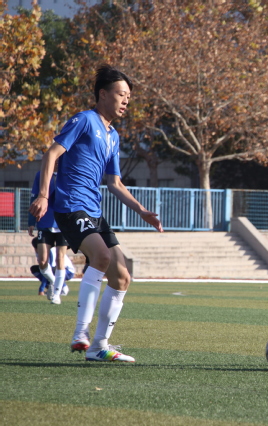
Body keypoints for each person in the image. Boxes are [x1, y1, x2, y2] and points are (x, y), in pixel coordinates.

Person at [29, 65, 163, 363]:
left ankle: (99, 346)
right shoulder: (84, 120)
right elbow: (51, 154)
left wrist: (142, 211)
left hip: (94, 212)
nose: (126, 100)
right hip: (70, 206)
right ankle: (80, 334)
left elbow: (115, 183)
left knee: (122, 277)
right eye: (121, 94)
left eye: (128, 96)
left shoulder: (113, 136)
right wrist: (43, 195)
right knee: (101, 257)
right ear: (103, 94)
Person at [28, 167, 69, 305]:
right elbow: (34, 197)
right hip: (44, 222)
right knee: (42, 261)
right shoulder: (41, 175)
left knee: (60, 258)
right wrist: (31, 221)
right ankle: (55, 282)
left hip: (63, 223)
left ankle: (56, 294)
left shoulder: (68, 172)